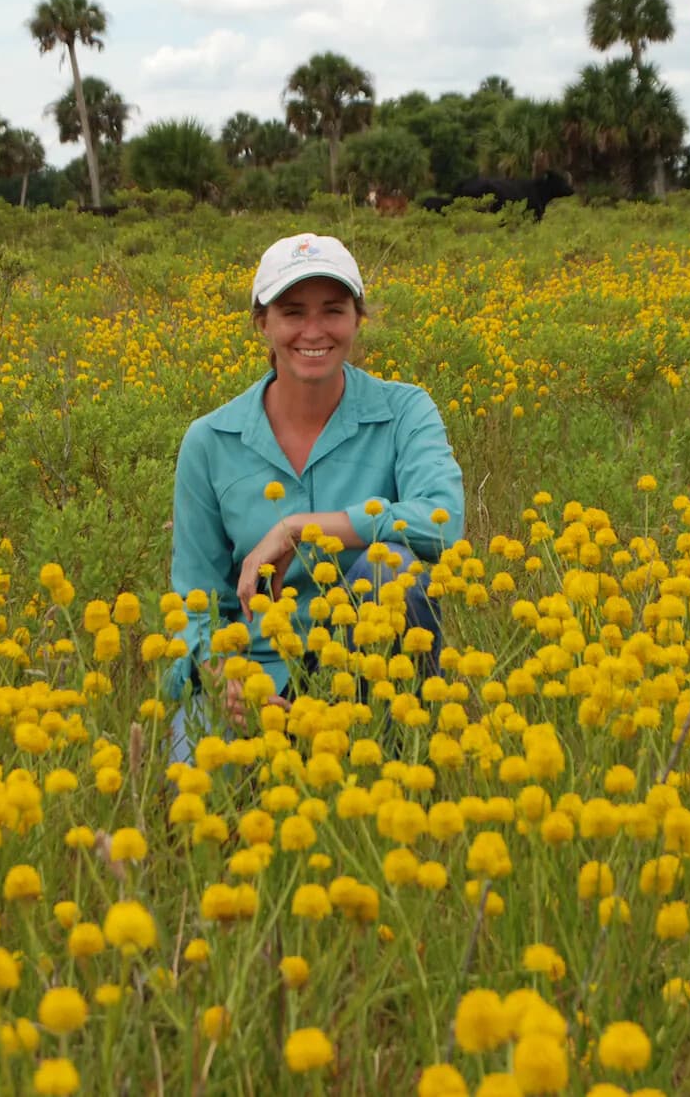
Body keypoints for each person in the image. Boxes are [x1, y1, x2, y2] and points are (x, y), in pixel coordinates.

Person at [162, 232, 465, 761]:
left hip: (362, 669)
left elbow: (441, 523)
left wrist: (300, 527)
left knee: (392, 570)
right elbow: (197, 601)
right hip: (253, 671)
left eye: (333, 310)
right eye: (292, 312)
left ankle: (388, 757)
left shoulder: (405, 412)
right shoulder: (209, 442)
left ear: (356, 319)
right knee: (201, 815)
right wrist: (226, 679)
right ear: (263, 323)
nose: (313, 331)